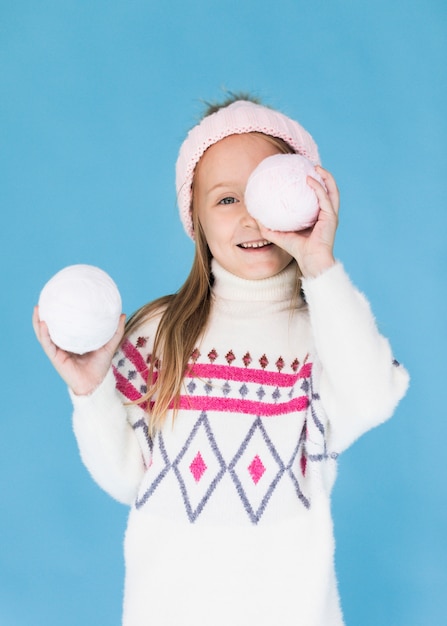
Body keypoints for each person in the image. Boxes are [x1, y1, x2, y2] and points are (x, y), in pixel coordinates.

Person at [33, 96, 409, 626]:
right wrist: (90, 391)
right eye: (227, 199)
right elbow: (125, 478)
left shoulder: (327, 330)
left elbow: (370, 397)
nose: (253, 215)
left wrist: (319, 259)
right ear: (197, 219)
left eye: (267, 189)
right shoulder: (157, 335)